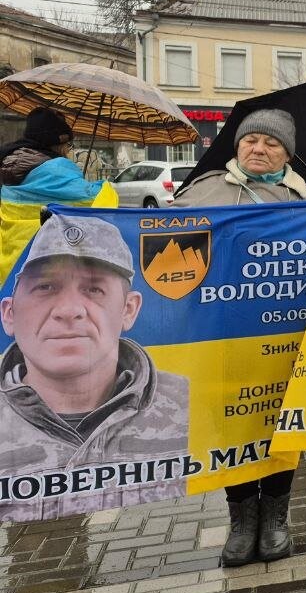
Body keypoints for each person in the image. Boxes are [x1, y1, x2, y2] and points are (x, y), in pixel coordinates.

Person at [175, 108, 306, 566]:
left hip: (285, 338)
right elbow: (156, 242)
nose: (259, 149)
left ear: (287, 154)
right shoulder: (204, 190)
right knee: (231, 423)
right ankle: (241, 520)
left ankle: (275, 518)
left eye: (271, 143)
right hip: (221, 337)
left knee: (281, 422)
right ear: (236, 146)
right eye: (251, 140)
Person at [0, 214, 189, 522]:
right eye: (46, 286)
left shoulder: (188, 405)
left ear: (129, 309)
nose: (69, 311)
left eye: (94, 290)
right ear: (9, 314)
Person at [0, 108, 113, 287]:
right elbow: (101, 200)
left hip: (8, 271)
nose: (69, 150)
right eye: (68, 145)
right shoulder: (56, 172)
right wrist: (106, 187)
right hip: (42, 273)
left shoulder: (10, 168)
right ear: (58, 145)